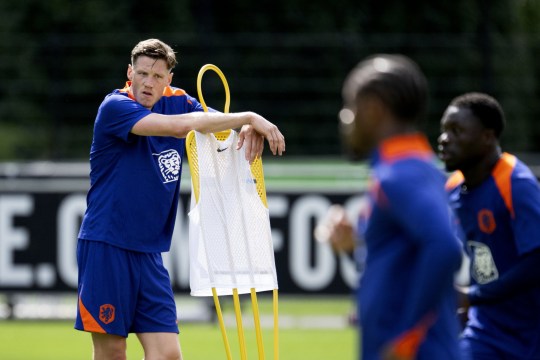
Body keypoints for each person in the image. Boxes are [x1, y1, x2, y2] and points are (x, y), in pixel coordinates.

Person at [74, 38, 285, 360]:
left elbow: (216, 127)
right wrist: (250, 116)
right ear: (129, 72)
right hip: (107, 243)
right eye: (142, 73)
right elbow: (180, 128)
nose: (148, 82)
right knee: (113, 352)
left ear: (168, 79)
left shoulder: (178, 100)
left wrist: (246, 126)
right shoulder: (115, 107)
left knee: (168, 353)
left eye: (157, 76)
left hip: (149, 251)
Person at [338, 54, 462, 360]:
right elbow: (400, 261)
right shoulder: (409, 168)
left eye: (350, 106)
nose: (345, 117)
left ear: (373, 109)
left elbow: (444, 246)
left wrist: (407, 336)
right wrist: (352, 245)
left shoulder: (400, 173)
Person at [438, 92, 540, 360]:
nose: (444, 139)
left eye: (457, 131)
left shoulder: (515, 184)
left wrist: (472, 295)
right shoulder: (451, 190)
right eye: (444, 130)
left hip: (533, 331)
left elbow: (537, 261)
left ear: (487, 137)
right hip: (488, 331)